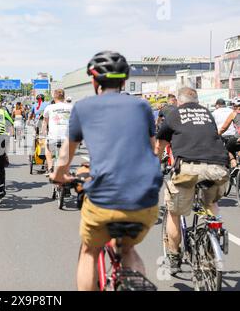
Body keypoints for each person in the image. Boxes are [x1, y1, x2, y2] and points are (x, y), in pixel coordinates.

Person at [50, 51, 162, 291]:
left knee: (89, 250)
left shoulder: (83, 108)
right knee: (129, 248)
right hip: (146, 199)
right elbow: (152, 148)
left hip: (104, 200)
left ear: (94, 81)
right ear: (124, 82)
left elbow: (66, 155)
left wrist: (59, 176)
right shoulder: (142, 106)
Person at [155, 87, 229, 275]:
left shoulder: (174, 114)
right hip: (218, 167)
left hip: (188, 168)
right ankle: (215, 229)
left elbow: (160, 145)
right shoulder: (207, 114)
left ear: (179, 102)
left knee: (174, 212)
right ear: (196, 101)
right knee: (211, 201)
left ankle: (173, 256)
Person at [42, 89, 73, 176]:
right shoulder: (71, 107)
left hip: (53, 137)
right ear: (64, 97)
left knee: (47, 147)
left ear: (54, 97)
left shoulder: (49, 108)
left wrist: (43, 133)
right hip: (67, 138)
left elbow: (44, 123)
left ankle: (50, 168)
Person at [218, 98, 240, 171]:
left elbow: (223, 128)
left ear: (234, 106)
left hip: (237, 138)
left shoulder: (234, 113)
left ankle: (234, 163)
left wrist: (217, 134)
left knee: (227, 149)